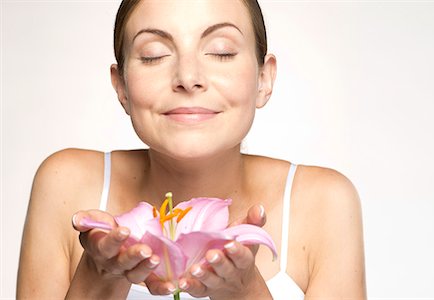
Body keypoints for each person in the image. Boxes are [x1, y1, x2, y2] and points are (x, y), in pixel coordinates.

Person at [17, 0, 366, 299]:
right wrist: (98, 279)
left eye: (221, 51)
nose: (187, 76)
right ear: (121, 86)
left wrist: (245, 293)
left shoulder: (323, 202)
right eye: (153, 55)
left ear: (264, 78)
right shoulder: (67, 184)